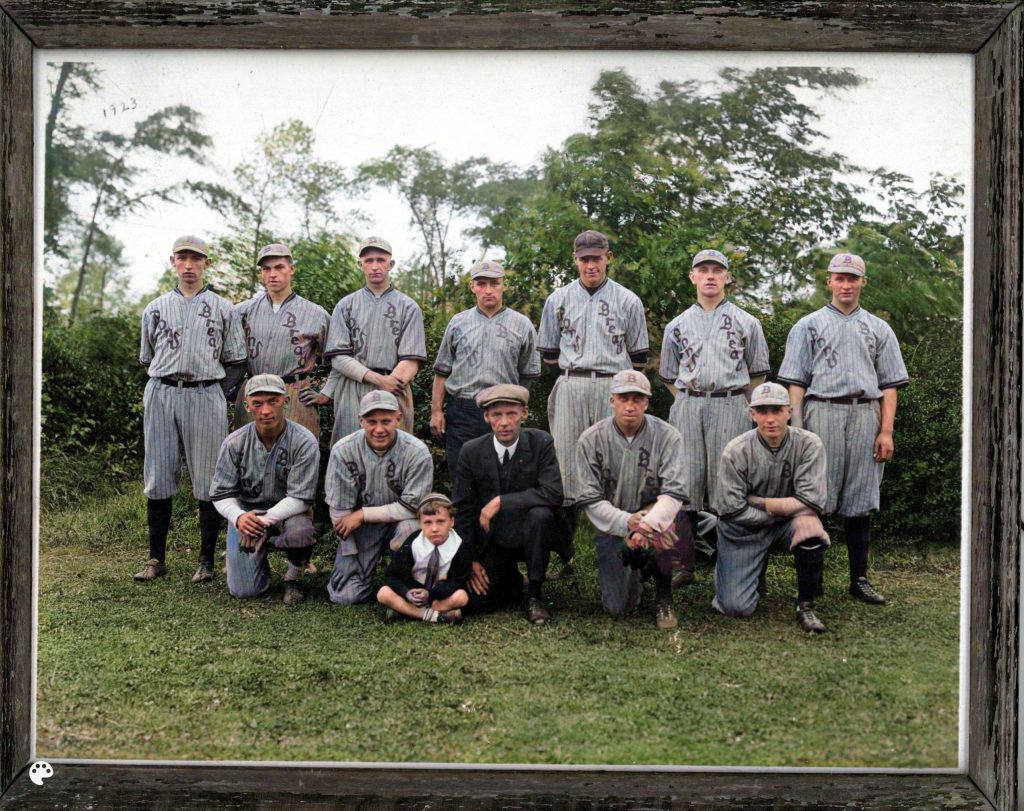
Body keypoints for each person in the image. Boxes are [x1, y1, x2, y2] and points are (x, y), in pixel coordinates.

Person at [777, 253, 909, 604]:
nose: (846, 285)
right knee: (815, 496)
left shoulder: (879, 328)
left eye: (853, 278)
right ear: (829, 281)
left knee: (860, 500)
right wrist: (798, 430)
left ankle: (859, 579)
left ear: (863, 282)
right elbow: (796, 384)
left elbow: (889, 385)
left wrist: (886, 431)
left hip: (864, 413)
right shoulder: (808, 325)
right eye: (840, 278)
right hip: (822, 411)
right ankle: (813, 580)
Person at [134, 235, 247, 584]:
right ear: (172, 262)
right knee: (158, 474)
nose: (188, 265)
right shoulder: (154, 307)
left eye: (195, 259)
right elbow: (147, 358)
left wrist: (218, 394)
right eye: (182, 258)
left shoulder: (224, 307)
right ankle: (156, 558)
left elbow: (237, 361)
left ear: (205, 264)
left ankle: (206, 560)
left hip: (205, 392)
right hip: (163, 390)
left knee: (209, 478)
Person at [537, 229, 649, 573]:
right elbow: (550, 354)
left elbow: (639, 358)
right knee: (566, 467)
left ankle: (618, 554)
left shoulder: (628, 300)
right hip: (571, 383)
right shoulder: (558, 299)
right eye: (584, 259)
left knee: (614, 465)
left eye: (596, 258)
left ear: (607, 258)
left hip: (611, 385)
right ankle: (565, 555)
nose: (590, 265)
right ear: (575, 260)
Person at [659, 248, 770, 584]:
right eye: (703, 270)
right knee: (685, 484)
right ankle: (684, 564)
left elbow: (758, 373)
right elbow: (668, 374)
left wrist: (737, 401)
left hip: (730, 402)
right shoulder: (677, 325)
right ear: (692, 276)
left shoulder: (746, 322)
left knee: (731, 485)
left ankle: (733, 561)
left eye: (716, 271)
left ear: (727, 278)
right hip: (689, 403)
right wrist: (690, 399)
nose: (709, 276)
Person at [711, 381, 831, 633]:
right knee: (736, 607)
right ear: (752, 414)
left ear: (789, 411)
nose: (770, 419)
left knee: (810, 526)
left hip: (785, 523)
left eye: (777, 410)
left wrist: (762, 502)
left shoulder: (809, 444)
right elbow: (731, 509)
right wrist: (780, 511)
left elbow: (813, 500)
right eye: (762, 411)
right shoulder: (736, 450)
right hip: (743, 530)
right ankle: (745, 573)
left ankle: (805, 604)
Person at [574, 370, 688, 629]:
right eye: (624, 398)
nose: (630, 405)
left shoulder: (668, 435)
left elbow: (674, 493)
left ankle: (663, 597)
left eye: (637, 399)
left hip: (654, 517)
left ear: (646, 402)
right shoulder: (590, 439)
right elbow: (590, 499)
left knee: (665, 532)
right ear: (611, 400)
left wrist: (647, 524)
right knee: (619, 607)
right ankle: (641, 569)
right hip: (614, 523)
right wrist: (628, 522)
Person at [453, 384, 569, 624]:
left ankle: (535, 593)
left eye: (511, 414)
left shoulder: (541, 442)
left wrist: (501, 501)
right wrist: (470, 561)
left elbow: (553, 492)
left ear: (524, 414)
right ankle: (511, 579)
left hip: (531, 532)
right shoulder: (471, 451)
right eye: (496, 415)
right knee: (477, 603)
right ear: (486, 417)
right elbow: (463, 510)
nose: (504, 422)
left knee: (541, 514)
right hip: (492, 538)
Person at [209, 374, 320, 605]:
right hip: (249, 513)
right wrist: (239, 518)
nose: (266, 410)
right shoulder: (234, 442)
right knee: (244, 591)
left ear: (285, 401)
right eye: (257, 403)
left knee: (300, 530)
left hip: (289, 513)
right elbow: (221, 494)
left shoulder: (304, 441)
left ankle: (294, 577)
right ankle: (251, 564)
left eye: (273, 401)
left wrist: (263, 521)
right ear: (247, 405)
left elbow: (301, 498)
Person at [430, 259, 541, 488]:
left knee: (503, 479)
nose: (488, 290)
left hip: (503, 412)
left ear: (503, 285)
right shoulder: (458, 323)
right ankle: (463, 525)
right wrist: (436, 411)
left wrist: (514, 407)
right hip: (463, 410)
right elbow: (442, 371)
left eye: (494, 283)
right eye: (481, 284)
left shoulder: (522, 325)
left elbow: (528, 373)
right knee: (463, 478)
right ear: (472, 286)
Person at [324, 389, 434, 605]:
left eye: (386, 421)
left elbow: (412, 507)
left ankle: (408, 583)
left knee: (410, 529)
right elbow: (340, 512)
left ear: (398, 418)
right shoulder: (343, 450)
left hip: (401, 521)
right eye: (371, 421)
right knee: (345, 596)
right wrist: (350, 552)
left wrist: (363, 514)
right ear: (360, 421)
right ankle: (364, 574)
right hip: (362, 529)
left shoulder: (417, 451)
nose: (379, 429)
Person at [318, 236, 427, 446]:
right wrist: (378, 380)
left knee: (397, 455)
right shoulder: (345, 305)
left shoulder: (408, 306)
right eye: (368, 261)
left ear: (391, 264)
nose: (375, 266)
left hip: (395, 386)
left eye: (381, 260)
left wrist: (390, 384)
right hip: (353, 386)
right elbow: (339, 358)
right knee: (349, 450)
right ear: (360, 265)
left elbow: (412, 359)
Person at [233, 243, 330, 437]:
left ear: (291, 269)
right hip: (255, 391)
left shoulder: (315, 313)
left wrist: (326, 393)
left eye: (279, 267)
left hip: (294, 392)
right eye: (266, 269)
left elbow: (337, 359)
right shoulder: (243, 311)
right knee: (250, 457)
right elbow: (230, 357)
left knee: (298, 456)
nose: (272, 274)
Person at [377, 493, 472, 624]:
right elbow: (391, 575)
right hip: (414, 592)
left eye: (441, 521)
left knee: (462, 597)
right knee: (383, 593)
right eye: (427, 522)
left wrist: (430, 594)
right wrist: (406, 593)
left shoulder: (460, 546)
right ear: (420, 524)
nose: (434, 529)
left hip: (439, 595)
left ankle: (406, 611)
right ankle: (432, 615)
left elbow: (458, 581)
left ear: (452, 521)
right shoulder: (413, 543)